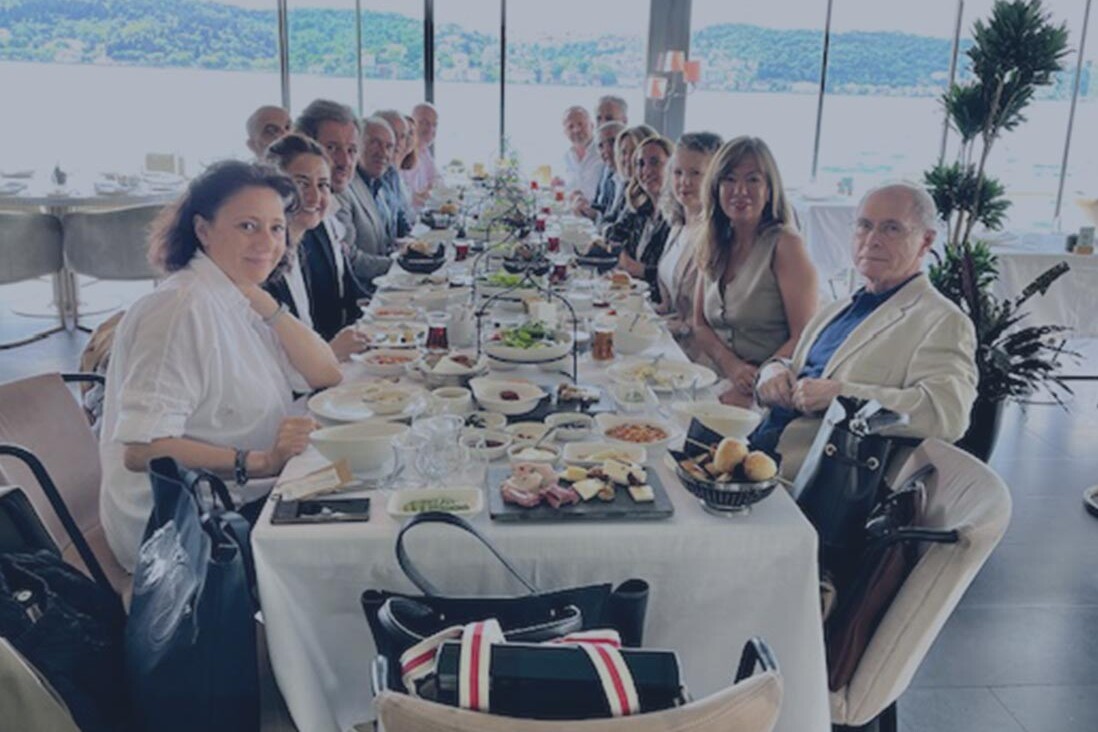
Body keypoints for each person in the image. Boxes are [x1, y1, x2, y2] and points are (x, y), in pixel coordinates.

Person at [98, 160, 343, 571]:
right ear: (203, 230)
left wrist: (262, 299)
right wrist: (260, 461)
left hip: (245, 494)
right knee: (358, 546)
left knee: (373, 483)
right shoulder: (179, 309)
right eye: (248, 226)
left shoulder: (233, 294)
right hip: (186, 531)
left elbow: (327, 373)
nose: (267, 242)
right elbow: (143, 449)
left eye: (276, 228)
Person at [752, 182, 978, 478]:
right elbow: (808, 370)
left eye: (892, 229)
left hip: (805, 479)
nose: (872, 240)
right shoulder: (838, 308)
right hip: (754, 452)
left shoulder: (942, 320)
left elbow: (946, 414)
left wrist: (842, 396)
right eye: (864, 226)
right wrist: (773, 371)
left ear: (926, 241)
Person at [692, 136, 819, 408]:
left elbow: (805, 336)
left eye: (753, 180)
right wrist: (731, 366)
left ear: (770, 189)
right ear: (715, 187)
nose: (740, 190)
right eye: (729, 179)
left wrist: (759, 379)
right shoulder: (714, 240)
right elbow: (699, 324)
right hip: (718, 378)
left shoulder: (786, 245)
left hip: (770, 389)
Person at [263, 133, 368, 360]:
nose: (314, 197)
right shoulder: (261, 263)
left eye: (323, 185)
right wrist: (330, 354)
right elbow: (269, 366)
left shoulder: (302, 246)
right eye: (301, 184)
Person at [295, 99, 391, 287]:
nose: (345, 161)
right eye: (331, 148)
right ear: (304, 146)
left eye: (352, 150)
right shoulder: (296, 218)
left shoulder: (330, 210)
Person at [656, 132, 723, 362]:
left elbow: (714, 321)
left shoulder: (717, 236)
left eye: (695, 173)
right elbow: (670, 303)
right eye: (678, 172)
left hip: (697, 357)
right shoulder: (678, 225)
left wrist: (673, 327)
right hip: (668, 344)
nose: (684, 182)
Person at [615, 135, 674, 303]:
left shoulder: (677, 218)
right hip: (632, 298)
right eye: (640, 164)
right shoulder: (642, 210)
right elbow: (613, 235)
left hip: (658, 306)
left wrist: (639, 269)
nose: (646, 170)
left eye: (654, 162)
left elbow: (673, 278)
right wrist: (624, 258)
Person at [348, 116, 399, 257]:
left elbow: (386, 241)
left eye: (389, 147)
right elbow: (350, 259)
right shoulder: (345, 187)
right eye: (375, 143)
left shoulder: (379, 183)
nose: (383, 153)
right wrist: (395, 264)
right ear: (357, 145)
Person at [600, 124, 657, 230]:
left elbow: (619, 232)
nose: (628, 158)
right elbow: (609, 221)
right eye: (624, 152)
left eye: (634, 151)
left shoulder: (649, 194)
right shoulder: (628, 187)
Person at [375, 109, 414, 240]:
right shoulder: (366, 177)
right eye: (391, 133)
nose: (396, 142)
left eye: (402, 137)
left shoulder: (392, 174)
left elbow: (401, 220)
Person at [573, 121, 624, 220]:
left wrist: (597, 217)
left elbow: (621, 223)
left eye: (612, 142)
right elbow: (604, 208)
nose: (606, 150)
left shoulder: (632, 180)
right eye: (601, 146)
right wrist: (585, 205)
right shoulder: (608, 172)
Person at [561, 105, 602, 203]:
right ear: (565, 132)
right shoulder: (565, 158)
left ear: (592, 126)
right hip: (572, 209)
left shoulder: (603, 153)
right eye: (571, 126)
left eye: (581, 124)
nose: (576, 130)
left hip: (598, 210)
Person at [404, 102, 440, 209]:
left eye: (434, 125)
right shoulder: (403, 153)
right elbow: (401, 196)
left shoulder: (423, 151)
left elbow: (436, 180)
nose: (430, 129)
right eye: (424, 123)